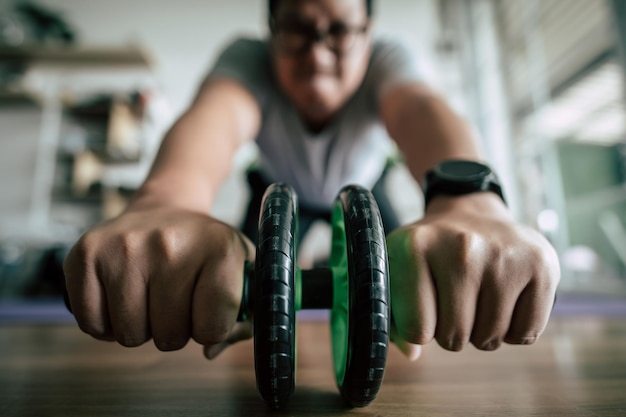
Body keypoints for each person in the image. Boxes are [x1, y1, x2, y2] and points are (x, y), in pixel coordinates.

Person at [63, 0, 560, 361]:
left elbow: (418, 109)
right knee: (228, 301)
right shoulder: (248, 58)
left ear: (367, 31)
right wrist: (165, 202)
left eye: (340, 31)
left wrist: (470, 202)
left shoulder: (387, 57)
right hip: (277, 192)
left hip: (364, 188)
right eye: (297, 30)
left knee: (407, 313)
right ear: (273, 30)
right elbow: (215, 117)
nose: (318, 54)